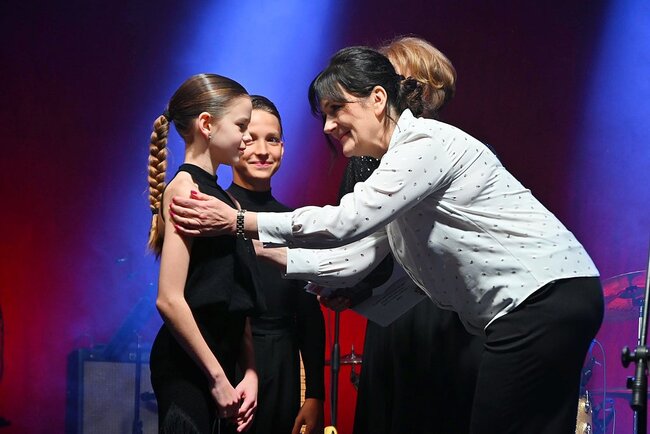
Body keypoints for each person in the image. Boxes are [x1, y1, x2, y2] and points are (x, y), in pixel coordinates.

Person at [169, 48, 604, 433]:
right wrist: (263, 249)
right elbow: (355, 260)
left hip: (540, 297)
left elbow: (346, 222)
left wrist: (241, 221)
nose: (328, 126)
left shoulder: (421, 144)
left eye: (336, 109)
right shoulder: (396, 173)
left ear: (378, 99)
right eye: (324, 115)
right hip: (547, 300)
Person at [326, 36, 485, 434]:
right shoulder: (382, 154)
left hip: (428, 313)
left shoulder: (422, 148)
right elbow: (366, 241)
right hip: (418, 311)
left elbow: (357, 239)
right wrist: (354, 288)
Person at [147, 73, 265, 434]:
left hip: (225, 367)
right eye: (241, 125)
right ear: (207, 125)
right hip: (189, 366)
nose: (247, 137)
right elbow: (169, 299)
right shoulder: (185, 190)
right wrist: (216, 378)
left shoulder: (228, 202)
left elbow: (238, 296)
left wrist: (250, 371)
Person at [226, 95, 325, 434]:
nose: (262, 150)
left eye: (272, 139)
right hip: (229, 358)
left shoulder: (294, 221)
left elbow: (309, 315)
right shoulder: (217, 211)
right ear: (233, 142)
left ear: (283, 148)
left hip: (283, 362)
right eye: (250, 139)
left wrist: (315, 394)